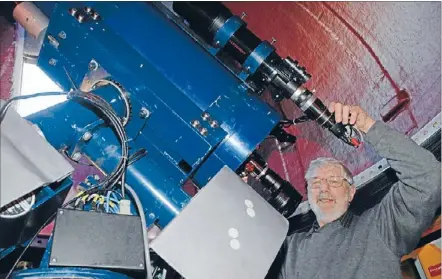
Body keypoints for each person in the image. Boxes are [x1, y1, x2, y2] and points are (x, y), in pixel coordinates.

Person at [278, 102, 441, 279]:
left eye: (334, 181)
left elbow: (427, 178)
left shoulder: (380, 226)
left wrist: (367, 126)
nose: (323, 188)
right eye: (315, 182)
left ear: (351, 192)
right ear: (308, 194)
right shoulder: (289, 250)